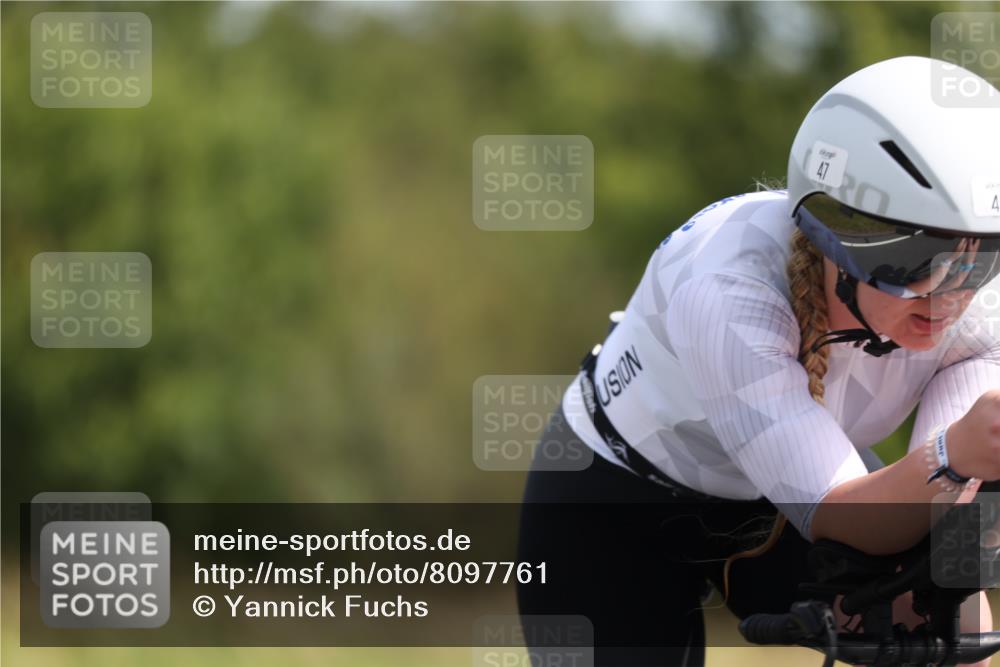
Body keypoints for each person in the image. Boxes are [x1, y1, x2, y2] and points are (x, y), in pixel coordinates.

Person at [516, 55, 1000, 667]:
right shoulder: (729, 287)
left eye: (980, 258)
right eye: (919, 261)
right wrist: (951, 455)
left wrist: (962, 487)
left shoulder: (983, 309)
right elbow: (836, 509)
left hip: (777, 503)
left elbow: (938, 526)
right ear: (835, 238)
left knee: (950, 622)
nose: (950, 294)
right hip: (616, 505)